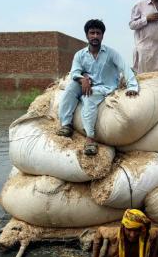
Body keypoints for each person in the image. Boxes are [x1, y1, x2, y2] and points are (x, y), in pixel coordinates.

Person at [56, 19, 139, 156]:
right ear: (87, 35)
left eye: (98, 33)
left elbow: (125, 68)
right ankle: (66, 125)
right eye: (92, 33)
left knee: (89, 96)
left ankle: (90, 139)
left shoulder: (111, 53)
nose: (95, 36)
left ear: (102, 36)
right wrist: (83, 79)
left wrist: (132, 87)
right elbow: (75, 72)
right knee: (70, 88)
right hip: (85, 84)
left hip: (105, 88)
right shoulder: (80, 55)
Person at [91, 209, 158, 257]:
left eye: (136, 230)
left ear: (141, 229)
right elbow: (99, 230)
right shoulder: (113, 234)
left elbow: (157, 233)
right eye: (129, 230)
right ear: (123, 227)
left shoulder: (146, 235)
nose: (132, 235)